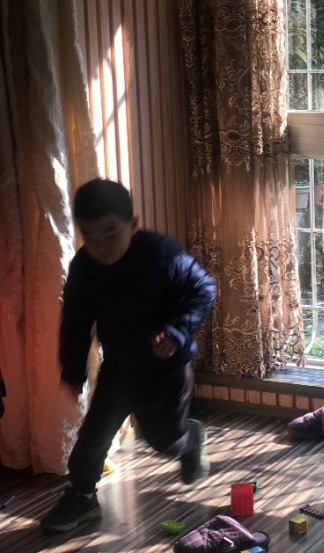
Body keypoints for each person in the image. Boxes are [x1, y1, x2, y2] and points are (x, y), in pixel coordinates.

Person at [41, 178, 217, 532]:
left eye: (110, 234)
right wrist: (73, 372)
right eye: (90, 236)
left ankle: (190, 440)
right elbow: (75, 321)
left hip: (166, 369)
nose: (100, 246)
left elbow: (203, 288)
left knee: (164, 441)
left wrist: (176, 331)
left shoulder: (162, 254)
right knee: (92, 438)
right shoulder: (84, 267)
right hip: (118, 368)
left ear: (133, 224)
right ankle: (82, 497)